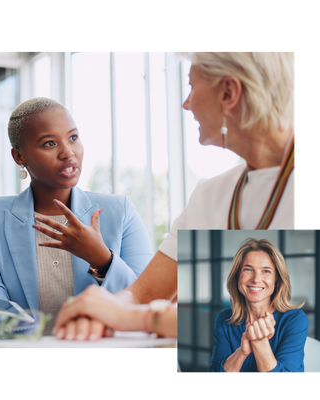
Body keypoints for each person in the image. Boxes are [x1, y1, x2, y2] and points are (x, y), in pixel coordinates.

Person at [54, 51, 295, 341]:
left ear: (229, 92)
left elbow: (285, 318)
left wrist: (138, 317)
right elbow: (141, 294)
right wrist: (97, 312)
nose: (186, 103)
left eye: (192, 87)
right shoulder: (211, 194)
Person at [0, 97, 154, 335]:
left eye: (73, 138)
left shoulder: (120, 211)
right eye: (49, 144)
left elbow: (148, 298)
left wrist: (102, 260)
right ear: (19, 157)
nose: (67, 153)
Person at [209, 238, 308, 374]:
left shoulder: (294, 319)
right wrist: (241, 353)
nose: (256, 279)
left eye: (266, 271)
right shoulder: (225, 319)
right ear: (237, 276)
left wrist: (260, 343)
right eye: (248, 269)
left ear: (277, 279)